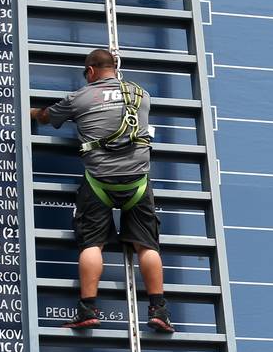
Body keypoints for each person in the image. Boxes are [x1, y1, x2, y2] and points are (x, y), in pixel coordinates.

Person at [30, 48, 174, 333]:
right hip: (138, 182)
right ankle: (159, 310)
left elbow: (47, 117)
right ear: (115, 68)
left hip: (98, 181)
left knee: (91, 244)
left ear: (91, 71)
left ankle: (87, 309)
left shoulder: (80, 98)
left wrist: (32, 111)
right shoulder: (141, 94)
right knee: (147, 246)